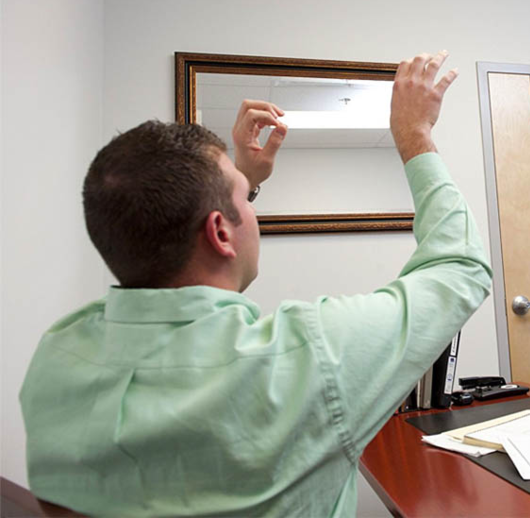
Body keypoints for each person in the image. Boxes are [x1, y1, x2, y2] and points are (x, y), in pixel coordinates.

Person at [20, 51, 492, 517]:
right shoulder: (310, 356)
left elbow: (193, 300)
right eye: (247, 199)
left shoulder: (57, 358)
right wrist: (414, 133)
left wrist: (238, 180)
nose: (253, 208)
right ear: (221, 232)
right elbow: (461, 265)